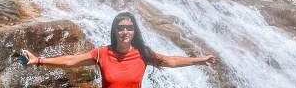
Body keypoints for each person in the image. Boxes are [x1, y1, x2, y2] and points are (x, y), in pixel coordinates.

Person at [20, 11, 215, 88]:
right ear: (114, 31)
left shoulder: (142, 54)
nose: (125, 31)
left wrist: (200, 60)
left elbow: (170, 61)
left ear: (134, 31)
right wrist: (39, 60)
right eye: (120, 28)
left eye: (129, 28)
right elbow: (71, 60)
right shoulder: (102, 53)